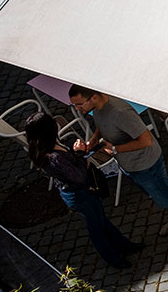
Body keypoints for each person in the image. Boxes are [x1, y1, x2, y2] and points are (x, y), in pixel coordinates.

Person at [66, 86, 168, 257]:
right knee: (159, 196)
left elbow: (147, 140)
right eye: (74, 105)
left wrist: (115, 149)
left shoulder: (121, 113)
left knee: (166, 197)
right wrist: (92, 141)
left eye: (79, 104)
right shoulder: (97, 108)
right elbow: (100, 124)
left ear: (94, 98)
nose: (77, 109)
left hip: (146, 165)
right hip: (131, 166)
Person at [23, 112, 141, 271]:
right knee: (97, 227)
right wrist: (81, 156)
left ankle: (123, 245)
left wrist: (76, 152)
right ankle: (114, 258)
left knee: (101, 220)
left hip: (79, 193)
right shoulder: (54, 157)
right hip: (80, 195)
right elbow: (78, 176)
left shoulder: (45, 148)